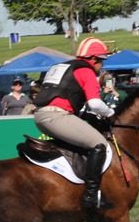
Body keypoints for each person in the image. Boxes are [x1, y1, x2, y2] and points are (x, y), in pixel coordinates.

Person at [33, 37, 117, 211]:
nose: (102, 66)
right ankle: (90, 197)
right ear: (93, 59)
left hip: (41, 116)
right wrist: (111, 113)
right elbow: (94, 103)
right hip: (57, 117)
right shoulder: (86, 71)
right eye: (101, 61)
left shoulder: (63, 66)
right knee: (99, 144)